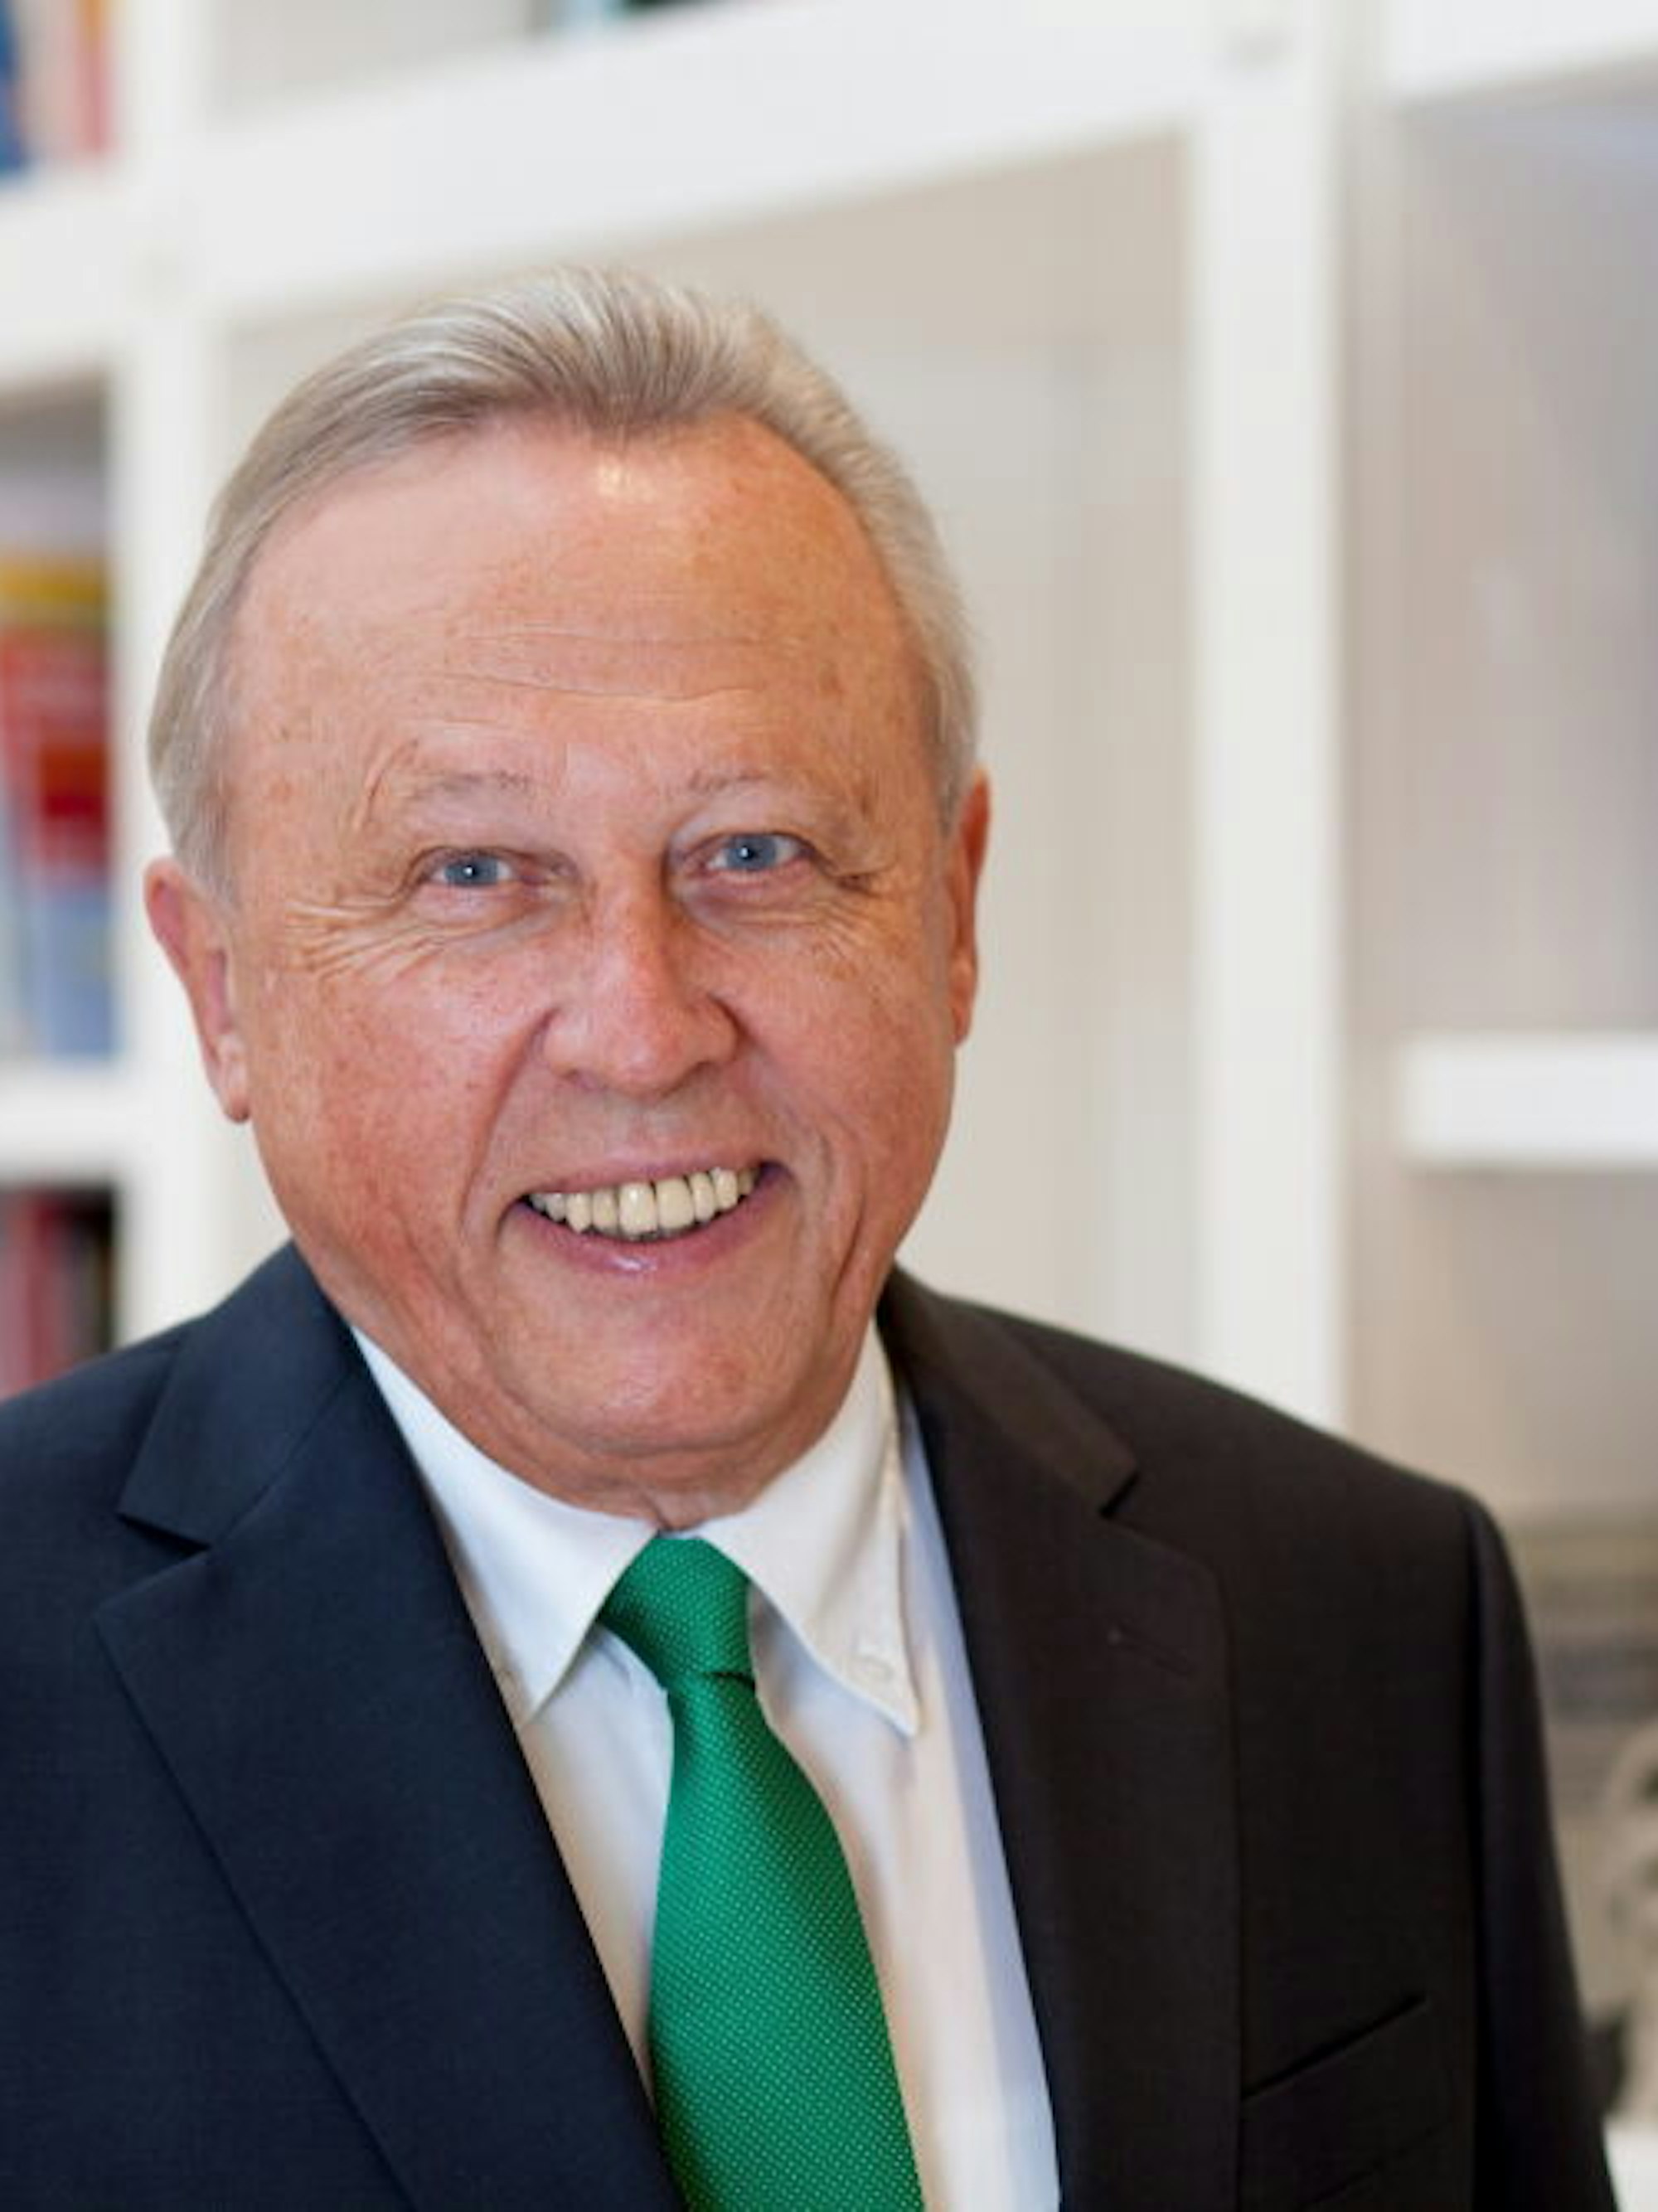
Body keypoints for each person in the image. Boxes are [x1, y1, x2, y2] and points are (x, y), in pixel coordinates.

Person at [0, 267, 1612, 2210]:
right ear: (221, 991)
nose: (643, 1027)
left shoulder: (1361, 1608)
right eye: (473, 871)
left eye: (753, 851)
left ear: (951, 909)